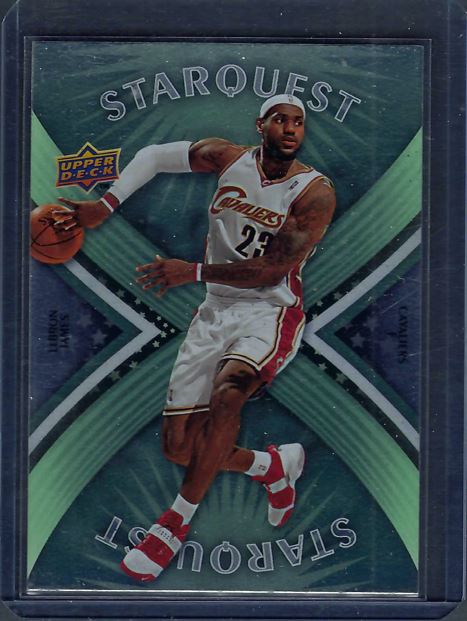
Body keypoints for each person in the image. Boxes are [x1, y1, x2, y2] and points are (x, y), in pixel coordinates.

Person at [54, 94, 336, 582]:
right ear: (261, 125)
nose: (291, 129)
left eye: (298, 122)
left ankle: (172, 525)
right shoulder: (226, 158)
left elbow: (272, 271)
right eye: (280, 120)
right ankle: (270, 467)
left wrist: (194, 271)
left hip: (269, 311)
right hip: (214, 311)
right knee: (181, 449)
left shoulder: (314, 193)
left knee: (231, 390)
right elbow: (153, 156)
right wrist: (104, 205)